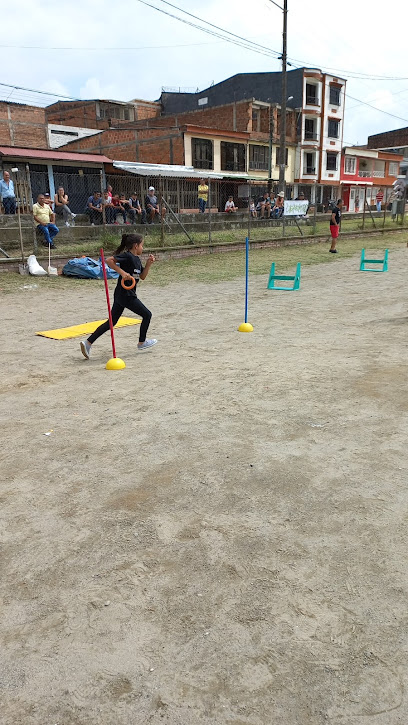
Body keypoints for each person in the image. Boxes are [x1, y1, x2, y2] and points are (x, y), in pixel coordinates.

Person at [80, 233, 157, 359]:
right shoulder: (127, 256)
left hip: (123, 294)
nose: (143, 248)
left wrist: (148, 264)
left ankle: (87, 343)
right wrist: (122, 272)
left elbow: (142, 276)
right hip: (126, 295)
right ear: (136, 246)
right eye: (142, 245)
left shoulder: (137, 259)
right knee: (147, 314)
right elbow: (109, 260)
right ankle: (142, 342)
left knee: (112, 322)